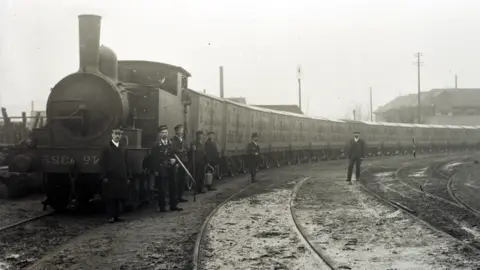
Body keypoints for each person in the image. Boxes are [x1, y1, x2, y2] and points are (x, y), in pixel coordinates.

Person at [101, 126, 129, 223]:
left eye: (119, 134)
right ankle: (110, 216)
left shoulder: (123, 147)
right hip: (110, 176)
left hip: (121, 175)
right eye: (115, 134)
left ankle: (117, 216)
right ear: (112, 135)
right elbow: (102, 163)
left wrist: (127, 175)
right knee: (110, 198)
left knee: (118, 197)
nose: (117, 136)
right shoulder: (106, 148)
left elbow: (126, 162)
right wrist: (104, 176)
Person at [151, 125, 183, 212]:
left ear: (168, 133)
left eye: (165, 132)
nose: (164, 134)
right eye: (162, 133)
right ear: (159, 134)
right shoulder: (156, 145)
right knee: (162, 188)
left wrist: (175, 160)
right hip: (161, 168)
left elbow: (176, 154)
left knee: (173, 186)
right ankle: (162, 207)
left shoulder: (171, 143)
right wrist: (155, 170)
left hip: (171, 168)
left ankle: (173, 205)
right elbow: (153, 159)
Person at [171, 124, 188, 203]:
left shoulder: (183, 140)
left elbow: (185, 150)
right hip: (177, 163)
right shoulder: (173, 140)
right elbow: (173, 151)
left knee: (182, 180)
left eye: (182, 130)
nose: (181, 132)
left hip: (183, 163)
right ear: (176, 131)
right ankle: (175, 197)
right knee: (176, 181)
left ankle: (180, 196)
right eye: (179, 130)